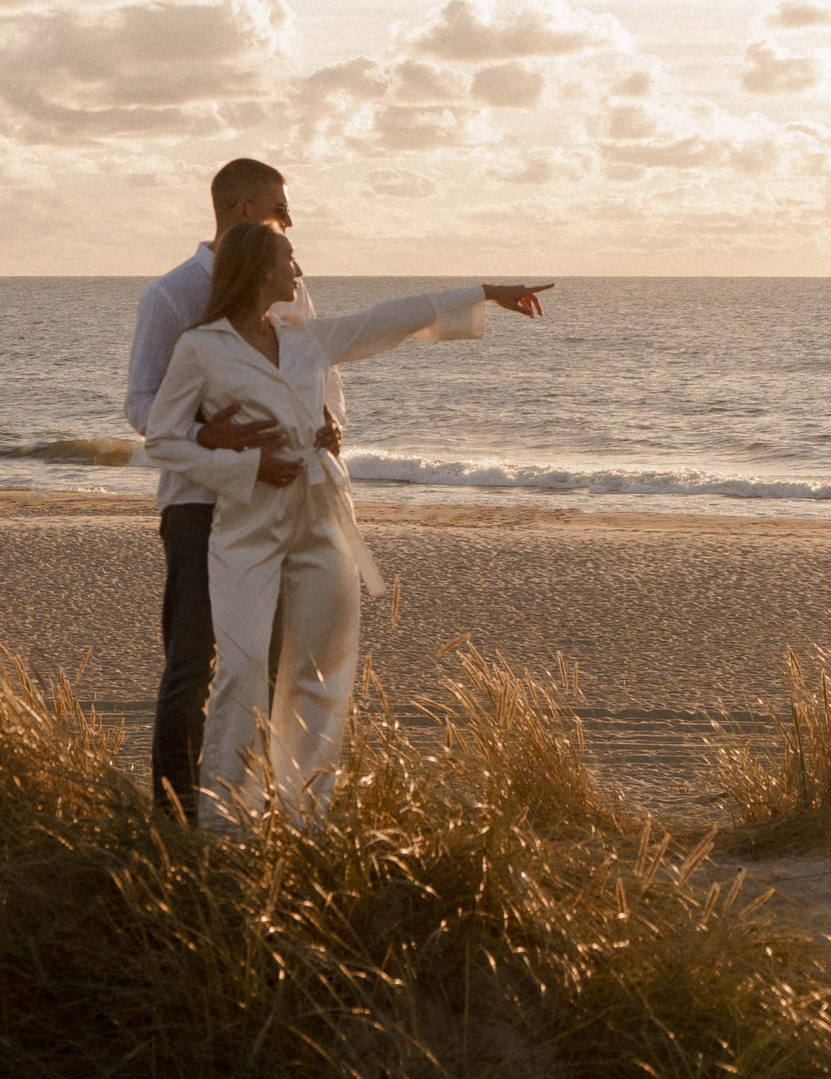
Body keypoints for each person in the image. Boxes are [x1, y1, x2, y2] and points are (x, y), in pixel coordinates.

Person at [144, 221, 550, 827]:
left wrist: (484, 292)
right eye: (288, 258)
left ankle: (303, 814)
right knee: (243, 665)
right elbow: (163, 439)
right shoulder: (201, 347)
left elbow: (388, 320)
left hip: (323, 517)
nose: (297, 270)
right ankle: (224, 822)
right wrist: (246, 466)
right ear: (260, 269)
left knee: (319, 672)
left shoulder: (305, 339)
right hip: (247, 525)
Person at [123, 159, 341, 822]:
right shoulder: (172, 295)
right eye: (280, 208)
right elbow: (141, 406)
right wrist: (208, 435)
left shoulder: (291, 292)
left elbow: (314, 376)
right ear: (244, 209)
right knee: (193, 662)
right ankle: (173, 816)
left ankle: (246, 806)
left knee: (266, 665)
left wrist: (326, 427)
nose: (291, 222)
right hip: (196, 503)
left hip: (276, 503)